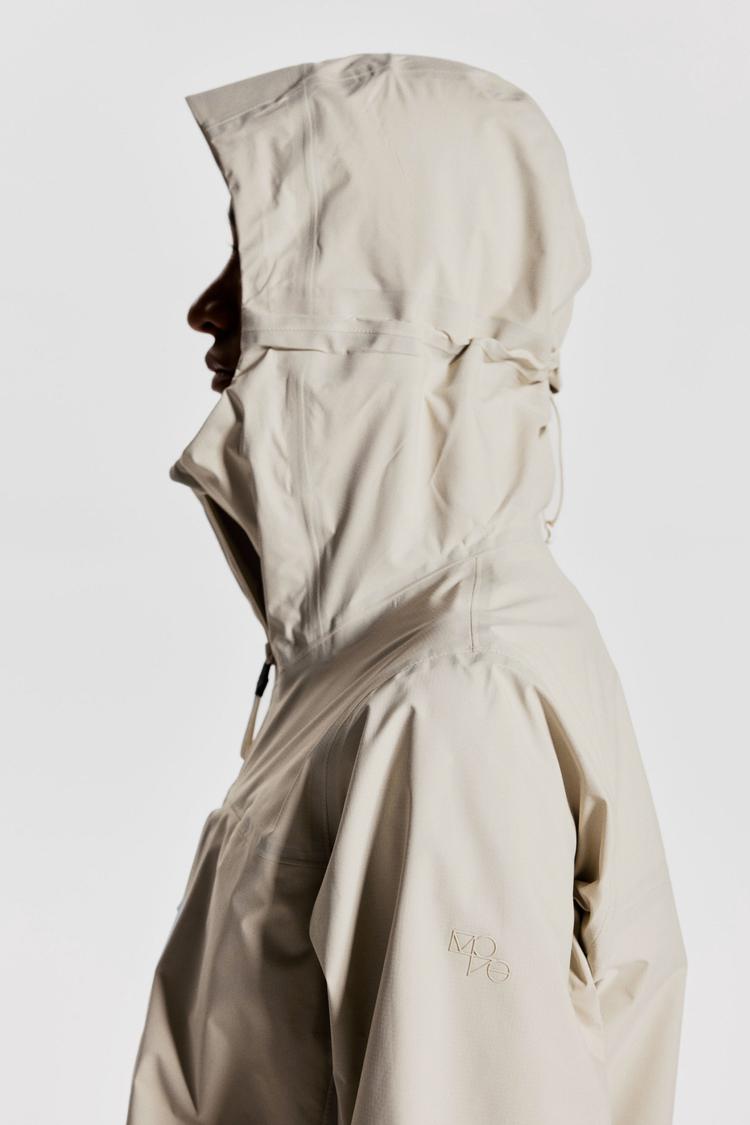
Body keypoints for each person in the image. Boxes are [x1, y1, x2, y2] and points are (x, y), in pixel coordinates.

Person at [126, 52, 688, 1125]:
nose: (210, 310)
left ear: (375, 324)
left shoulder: (446, 707)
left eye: (258, 261)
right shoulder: (387, 665)